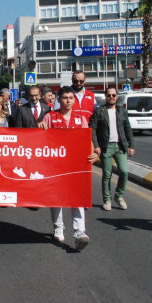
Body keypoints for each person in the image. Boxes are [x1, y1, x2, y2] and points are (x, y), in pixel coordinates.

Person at [40, 86, 99, 250]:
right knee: (56, 198)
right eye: (64, 97)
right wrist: (41, 128)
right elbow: (40, 138)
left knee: (77, 198)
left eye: (70, 98)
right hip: (55, 165)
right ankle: (58, 227)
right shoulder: (50, 116)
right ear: (58, 99)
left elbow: (86, 139)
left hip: (75, 164)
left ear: (74, 100)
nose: (67, 100)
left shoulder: (81, 119)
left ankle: (80, 232)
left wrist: (93, 153)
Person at [90, 87, 135, 211]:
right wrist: (96, 146)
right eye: (109, 95)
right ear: (105, 96)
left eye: (113, 95)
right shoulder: (100, 111)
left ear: (117, 97)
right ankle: (107, 199)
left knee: (124, 172)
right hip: (106, 147)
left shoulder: (122, 111)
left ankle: (119, 196)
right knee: (107, 175)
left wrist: (131, 145)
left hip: (120, 146)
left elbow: (128, 129)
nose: (111, 97)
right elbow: (92, 129)